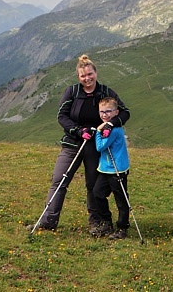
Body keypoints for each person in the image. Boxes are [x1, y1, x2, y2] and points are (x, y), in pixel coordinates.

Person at [31, 54, 130, 236]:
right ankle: (48, 221)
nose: (87, 78)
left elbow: (124, 113)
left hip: (95, 147)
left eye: (90, 74)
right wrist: (77, 130)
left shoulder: (106, 92)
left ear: (95, 73)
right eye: (83, 76)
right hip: (72, 144)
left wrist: (110, 125)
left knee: (92, 185)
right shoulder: (72, 92)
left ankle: (97, 223)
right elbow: (62, 116)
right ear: (79, 76)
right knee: (59, 180)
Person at [93, 97, 130, 240]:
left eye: (108, 111)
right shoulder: (107, 128)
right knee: (97, 193)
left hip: (117, 170)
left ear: (116, 112)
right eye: (102, 112)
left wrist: (97, 132)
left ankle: (122, 227)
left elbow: (100, 147)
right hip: (105, 169)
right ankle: (106, 221)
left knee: (121, 199)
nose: (104, 115)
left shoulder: (114, 130)